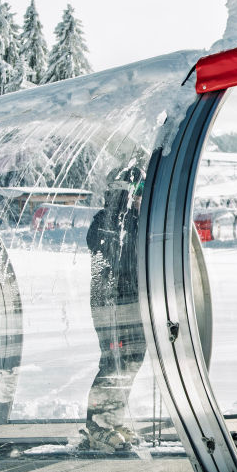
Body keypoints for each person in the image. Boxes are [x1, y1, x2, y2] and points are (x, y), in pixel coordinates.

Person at [81, 165, 145, 453]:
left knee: (130, 361)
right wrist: (122, 201)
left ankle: (113, 419)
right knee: (113, 363)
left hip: (133, 303)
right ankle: (97, 426)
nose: (142, 198)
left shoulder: (135, 219)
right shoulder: (107, 220)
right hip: (111, 305)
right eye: (138, 192)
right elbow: (100, 243)